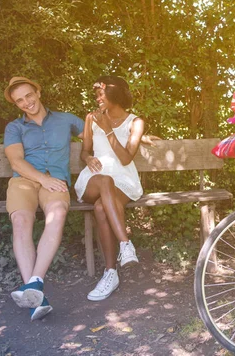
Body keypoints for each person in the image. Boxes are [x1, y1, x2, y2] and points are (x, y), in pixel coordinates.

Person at [3, 76, 84, 320]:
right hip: (24, 180)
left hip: (56, 180)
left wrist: (139, 135)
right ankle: (36, 293)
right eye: (19, 100)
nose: (26, 102)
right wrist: (41, 179)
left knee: (57, 212)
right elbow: (16, 161)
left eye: (28, 95)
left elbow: (99, 133)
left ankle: (33, 285)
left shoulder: (66, 119)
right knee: (20, 221)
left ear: (38, 91)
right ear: (16, 105)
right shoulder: (14, 128)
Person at [74, 76, 147, 301]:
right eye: (96, 95)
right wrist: (88, 159)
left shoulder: (136, 122)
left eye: (101, 95)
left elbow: (125, 159)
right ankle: (125, 244)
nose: (97, 99)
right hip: (94, 179)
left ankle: (110, 273)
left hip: (123, 179)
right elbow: (85, 151)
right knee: (104, 181)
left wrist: (107, 130)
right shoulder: (91, 118)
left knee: (100, 209)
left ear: (115, 94)